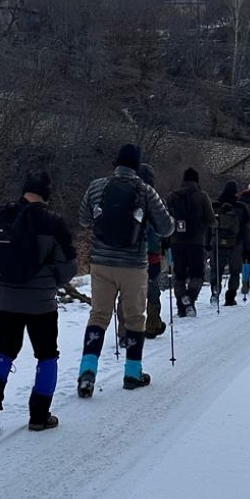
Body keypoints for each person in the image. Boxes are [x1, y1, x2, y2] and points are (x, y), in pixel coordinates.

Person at [0, 170, 78, 435]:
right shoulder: (53, 222)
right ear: (46, 195)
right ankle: (39, 415)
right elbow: (68, 267)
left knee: (2, 352)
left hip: (6, 299)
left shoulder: (1, 215)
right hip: (41, 302)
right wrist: (51, 280)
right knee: (47, 356)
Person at [76, 144, 174, 395]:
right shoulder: (146, 190)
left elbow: (83, 220)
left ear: (116, 163)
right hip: (133, 266)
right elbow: (165, 228)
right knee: (134, 319)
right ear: (137, 166)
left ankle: (87, 373)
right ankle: (132, 372)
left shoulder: (97, 186)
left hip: (101, 263)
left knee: (99, 317)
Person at [166, 167, 216, 317]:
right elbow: (210, 220)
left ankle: (182, 307)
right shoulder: (202, 196)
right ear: (197, 180)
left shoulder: (172, 196)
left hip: (176, 242)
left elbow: (166, 219)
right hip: (196, 242)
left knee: (179, 275)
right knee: (197, 275)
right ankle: (190, 296)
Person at [211, 179, 250, 306]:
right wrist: (247, 249)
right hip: (236, 244)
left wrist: (207, 242)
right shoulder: (241, 207)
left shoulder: (215, 206)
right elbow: (247, 230)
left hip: (218, 243)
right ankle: (230, 297)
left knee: (216, 270)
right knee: (235, 271)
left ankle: (215, 292)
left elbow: (208, 226)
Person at [138, 164, 168, 338]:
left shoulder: (128, 197)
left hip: (129, 253)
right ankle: (152, 324)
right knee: (152, 287)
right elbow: (163, 227)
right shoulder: (155, 199)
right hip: (152, 253)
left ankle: (126, 329)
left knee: (130, 290)